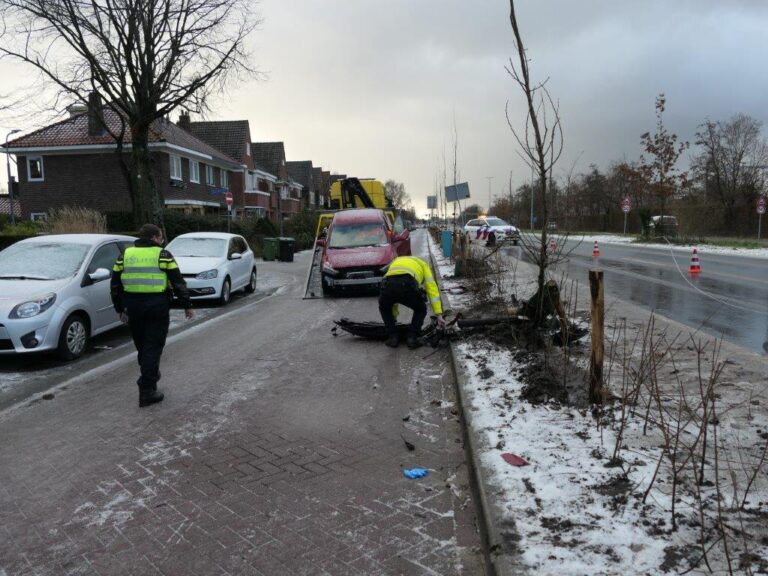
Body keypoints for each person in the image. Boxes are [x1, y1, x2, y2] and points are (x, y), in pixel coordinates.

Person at [111, 224, 194, 407]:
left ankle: (150, 377)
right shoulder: (162, 255)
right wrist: (187, 305)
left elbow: (115, 284)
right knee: (153, 346)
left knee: (143, 346)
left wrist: (119, 308)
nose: (162, 241)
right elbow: (178, 282)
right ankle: (147, 388)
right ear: (155, 237)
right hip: (157, 306)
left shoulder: (125, 255)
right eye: (161, 238)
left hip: (133, 306)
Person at [378, 255, 445, 349]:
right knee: (421, 309)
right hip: (407, 285)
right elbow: (432, 289)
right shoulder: (423, 264)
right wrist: (439, 314)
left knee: (384, 308)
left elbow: (393, 294)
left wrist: (393, 317)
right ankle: (412, 338)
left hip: (388, 285)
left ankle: (393, 337)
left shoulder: (396, 261)